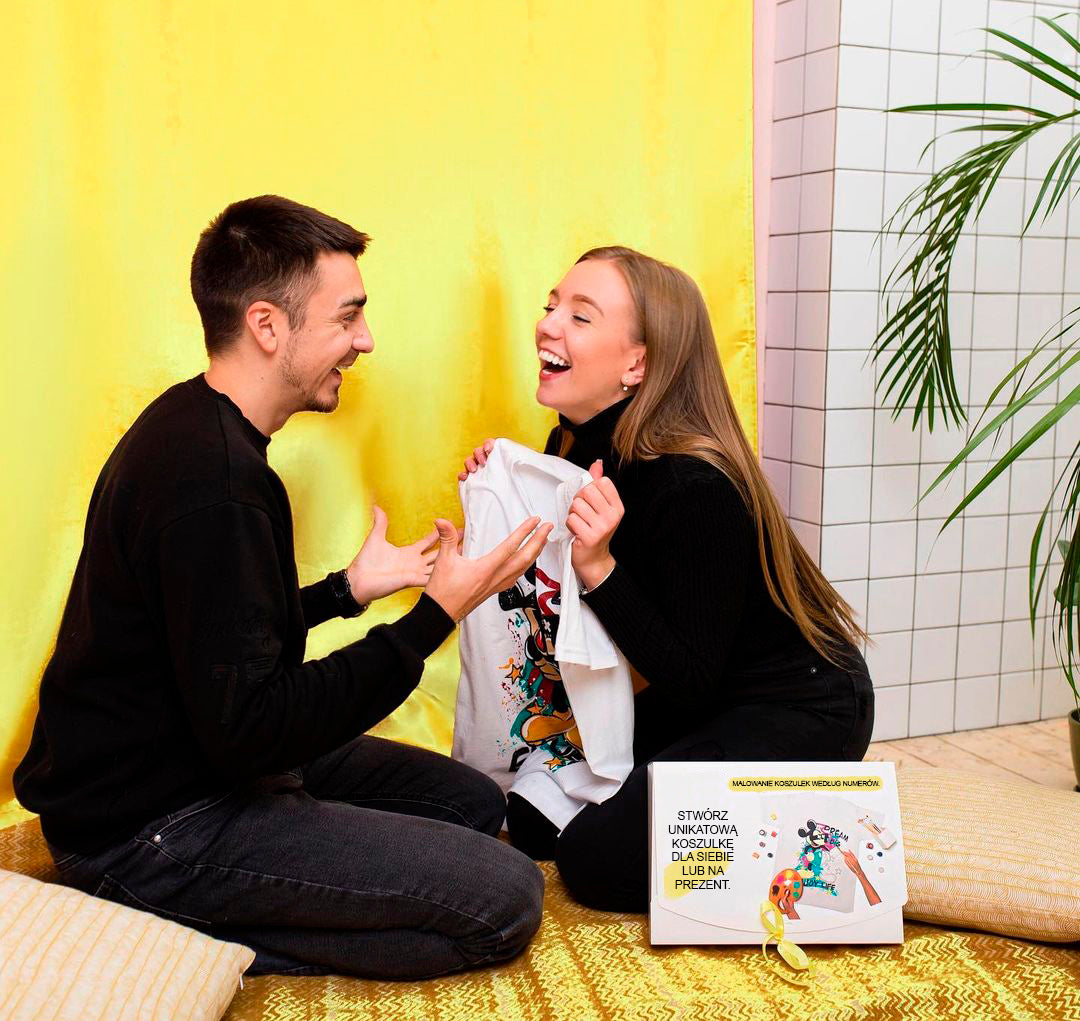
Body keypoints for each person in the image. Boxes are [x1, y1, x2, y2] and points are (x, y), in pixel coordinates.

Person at [14, 195, 554, 979]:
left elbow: (218, 639)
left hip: (203, 754)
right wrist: (435, 614)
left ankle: (263, 863)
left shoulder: (199, 425)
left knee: (468, 805)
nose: (365, 340)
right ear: (268, 326)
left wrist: (346, 590)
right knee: (505, 899)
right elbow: (254, 725)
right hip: (148, 822)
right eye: (348, 317)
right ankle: (170, 930)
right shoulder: (214, 482)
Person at [460, 246, 874, 912]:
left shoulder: (693, 484)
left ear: (637, 365)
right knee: (530, 817)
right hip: (696, 699)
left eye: (580, 316)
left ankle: (824, 844)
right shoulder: (571, 448)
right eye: (550, 306)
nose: (547, 324)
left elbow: (688, 675)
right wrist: (503, 491)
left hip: (798, 706)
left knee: (594, 860)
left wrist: (599, 567)